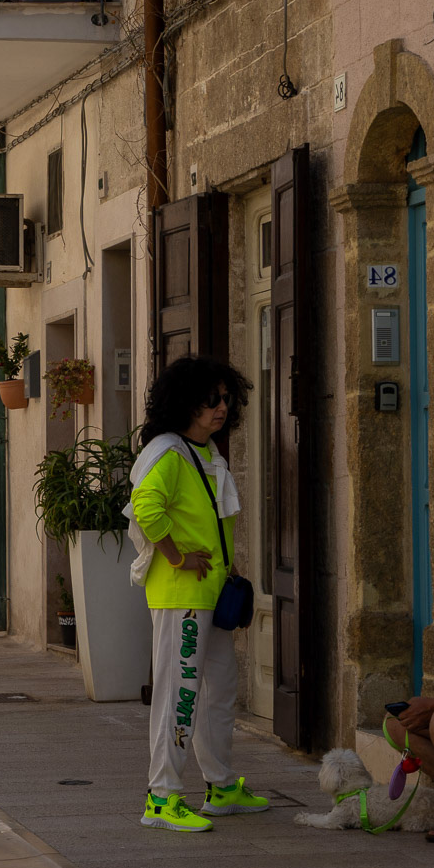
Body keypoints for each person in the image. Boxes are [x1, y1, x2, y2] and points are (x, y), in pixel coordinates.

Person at [126, 355, 269, 832]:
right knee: (179, 695)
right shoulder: (169, 452)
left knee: (217, 692)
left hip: (209, 595)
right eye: (212, 399)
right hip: (180, 595)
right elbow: (145, 507)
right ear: (186, 401)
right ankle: (162, 798)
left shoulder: (205, 452)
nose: (221, 407)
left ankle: (221, 785)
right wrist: (177, 556)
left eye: (227, 398)